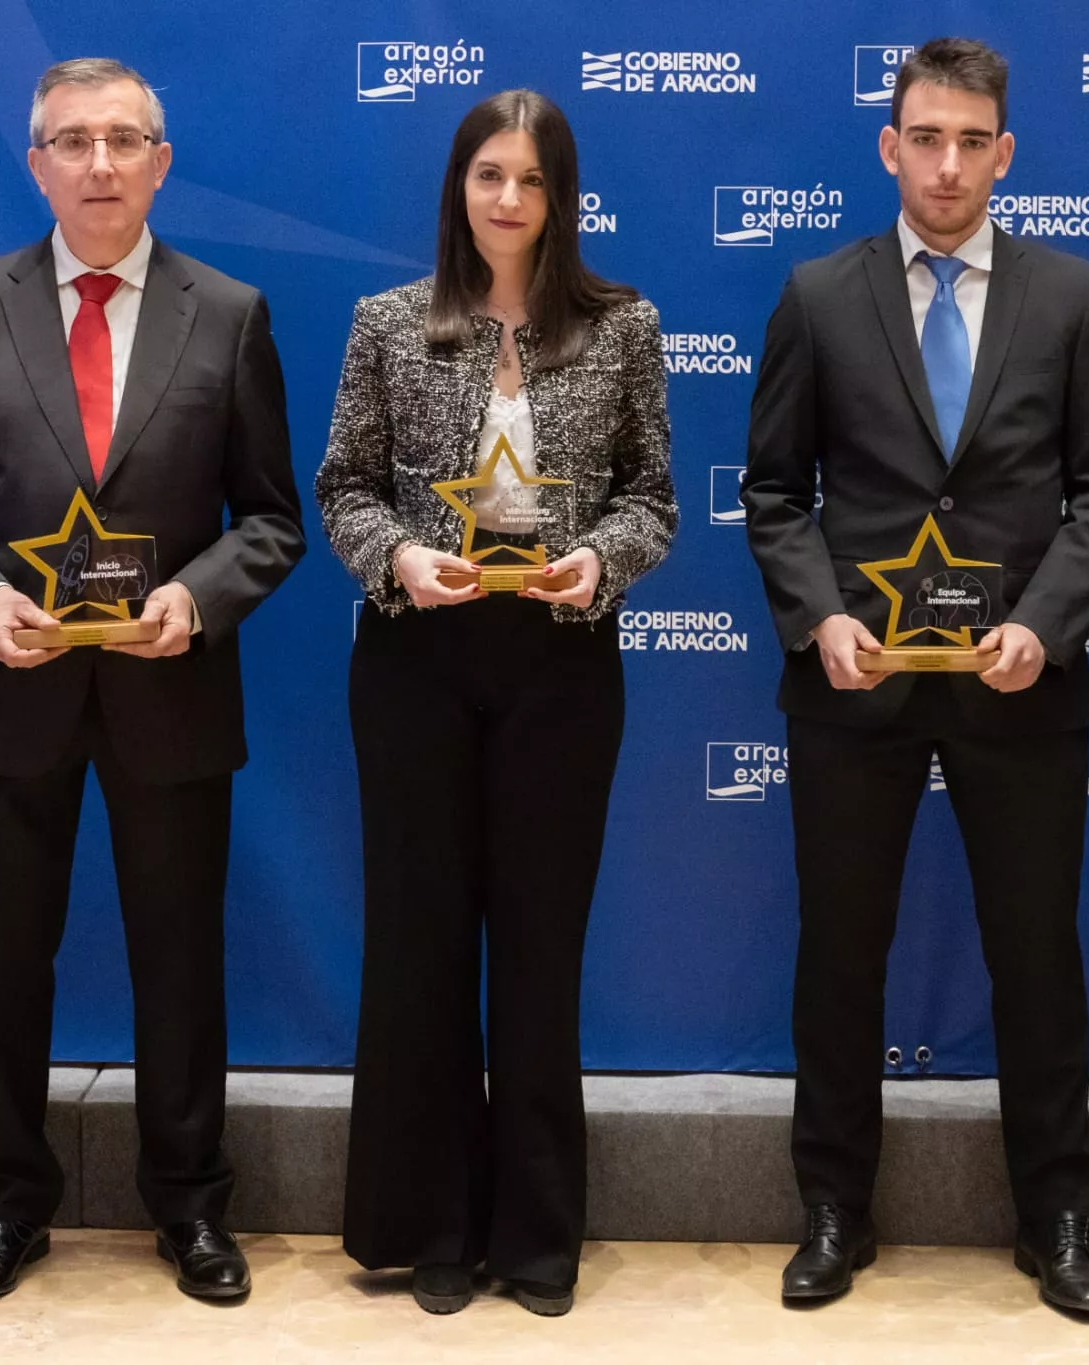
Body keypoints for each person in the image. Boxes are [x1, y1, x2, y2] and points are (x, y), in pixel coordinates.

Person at [0, 58, 303, 1302]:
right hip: (9, 692)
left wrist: (197, 600)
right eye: (73, 141)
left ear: (160, 162)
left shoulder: (230, 313)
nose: (100, 164)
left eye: (124, 140)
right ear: (37, 166)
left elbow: (271, 519)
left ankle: (191, 1205)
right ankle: (7, 1205)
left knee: (181, 963)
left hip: (169, 692)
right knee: (6, 965)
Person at [741, 38, 1089, 1317]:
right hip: (852, 685)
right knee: (837, 957)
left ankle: (1059, 1219)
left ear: (1004, 153)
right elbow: (771, 494)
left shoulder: (1072, 295)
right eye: (925, 138)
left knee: (1036, 960)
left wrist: (1045, 625)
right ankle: (830, 1210)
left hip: (1019, 686)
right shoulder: (817, 294)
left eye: (972, 141)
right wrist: (817, 618)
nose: (947, 164)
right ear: (889, 146)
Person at [315, 87, 676, 1318]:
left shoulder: (623, 327)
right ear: (457, 189)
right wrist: (399, 560)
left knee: (537, 950)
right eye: (487, 176)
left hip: (560, 665)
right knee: (418, 947)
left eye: (530, 178)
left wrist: (601, 562)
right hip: (415, 661)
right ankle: (430, 1227)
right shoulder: (385, 323)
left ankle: (534, 1235)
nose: (508, 198)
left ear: (560, 195)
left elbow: (653, 500)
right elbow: (343, 488)